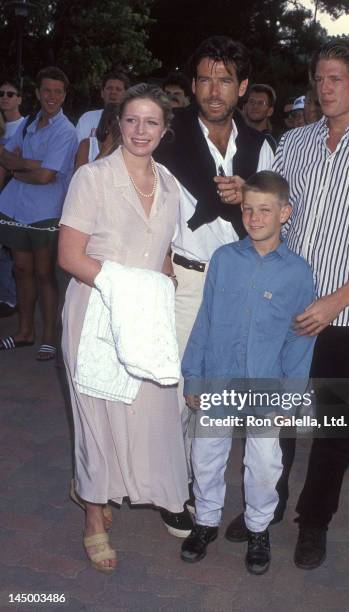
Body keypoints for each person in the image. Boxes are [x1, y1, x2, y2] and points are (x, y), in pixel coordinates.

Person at [226, 39, 349, 569]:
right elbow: (277, 211)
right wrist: (244, 192)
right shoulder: (296, 142)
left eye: (337, 78)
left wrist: (336, 300)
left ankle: (314, 523)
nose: (326, 87)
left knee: (333, 428)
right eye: (320, 78)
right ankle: (267, 508)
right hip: (288, 312)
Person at [58, 83, 190, 573]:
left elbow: (167, 250)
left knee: (148, 412)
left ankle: (112, 487)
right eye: (131, 121)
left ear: (164, 128)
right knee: (95, 416)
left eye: (151, 122)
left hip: (146, 320)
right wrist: (131, 286)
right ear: (117, 123)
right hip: (95, 313)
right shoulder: (92, 179)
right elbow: (69, 257)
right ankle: (93, 514)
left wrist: (163, 285)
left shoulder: (172, 184)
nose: (140, 131)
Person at [155, 35, 274, 536]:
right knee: (179, 390)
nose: (214, 89)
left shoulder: (258, 145)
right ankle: (172, 491)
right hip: (183, 280)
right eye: (205, 78)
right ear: (193, 84)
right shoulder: (169, 136)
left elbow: (272, 224)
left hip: (237, 289)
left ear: (242, 87)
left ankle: (207, 492)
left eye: (225, 79)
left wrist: (248, 195)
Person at [180, 171, 315, 575]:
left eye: (265, 210)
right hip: (219, 377)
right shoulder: (224, 259)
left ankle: (259, 528)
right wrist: (194, 376)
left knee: (264, 463)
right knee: (205, 454)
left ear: (285, 213)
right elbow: (205, 319)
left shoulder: (297, 272)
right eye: (248, 209)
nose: (254, 218)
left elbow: (299, 339)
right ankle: (205, 521)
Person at [0, 67, 77, 360]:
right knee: (21, 270)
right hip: (16, 207)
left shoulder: (66, 131)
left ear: (65, 95)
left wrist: (19, 167)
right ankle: (24, 332)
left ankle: (49, 338)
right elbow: (5, 155)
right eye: (47, 90)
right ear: (37, 93)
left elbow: (46, 177)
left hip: (46, 211)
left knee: (45, 274)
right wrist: (31, 165)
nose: (52, 96)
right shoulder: (30, 121)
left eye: (58, 91)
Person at [0, 78, 26, 318]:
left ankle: (10, 298)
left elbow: (14, 165)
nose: (5, 97)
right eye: (2, 94)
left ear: (19, 98)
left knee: (11, 253)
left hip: (15, 196)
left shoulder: (25, 126)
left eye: (11, 94)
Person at [76, 71, 129, 141]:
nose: (113, 92)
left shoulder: (134, 121)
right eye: (109, 88)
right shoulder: (87, 118)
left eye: (118, 89)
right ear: (102, 93)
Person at [75, 103, 120, 169]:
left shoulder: (126, 149)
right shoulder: (87, 145)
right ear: (107, 125)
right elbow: (79, 176)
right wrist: (103, 151)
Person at [243, 83, 277, 150]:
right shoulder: (234, 138)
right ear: (244, 107)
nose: (255, 106)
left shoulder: (269, 144)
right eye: (251, 101)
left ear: (270, 111)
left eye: (261, 103)